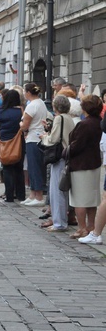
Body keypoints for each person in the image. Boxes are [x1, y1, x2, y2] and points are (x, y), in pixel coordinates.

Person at [66, 95, 103, 239]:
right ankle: (91, 225)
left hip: (81, 164)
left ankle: (82, 228)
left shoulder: (84, 124)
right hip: (94, 163)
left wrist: (66, 151)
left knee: (79, 199)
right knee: (91, 199)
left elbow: (76, 145)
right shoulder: (99, 122)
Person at [39, 95, 75, 232]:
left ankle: (59, 222)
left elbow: (54, 139)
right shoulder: (69, 118)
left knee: (57, 190)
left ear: (55, 106)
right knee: (62, 190)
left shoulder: (59, 118)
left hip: (58, 156)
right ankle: (60, 220)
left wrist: (44, 137)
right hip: (66, 155)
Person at [20, 83, 48, 207]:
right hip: (39, 136)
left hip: (33, 137)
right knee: (34, 166)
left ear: (28, 93)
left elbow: (25, 124)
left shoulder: (31, 106)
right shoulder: (41, 103)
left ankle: (39, 195)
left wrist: (21, 126)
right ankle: (32, 194)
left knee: (34, 167)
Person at [0, 90, 25, 203]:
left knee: (7, 168)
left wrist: (0, 131)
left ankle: (9, 195)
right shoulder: (20, 110)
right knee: (18, 168)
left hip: (5, 140)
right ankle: (21, 194)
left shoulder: (1, 111)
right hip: (18, 140)